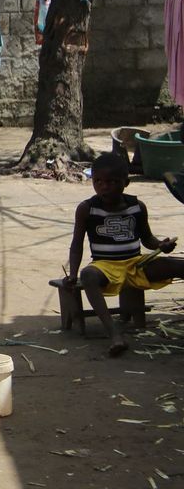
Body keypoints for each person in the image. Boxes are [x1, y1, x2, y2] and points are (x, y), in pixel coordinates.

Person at [65, 152, 182, 356]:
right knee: (88, 275)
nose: (104, 186)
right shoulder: (87, 209)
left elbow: (147, 239)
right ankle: (114, 334)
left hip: (136, 264)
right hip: (105, 267)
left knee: (180, 265)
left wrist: (161, 246)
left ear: (126, 183)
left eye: (111, 182)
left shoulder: (137, 207)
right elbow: (77, 244)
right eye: (98, 181)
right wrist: (73, 273)